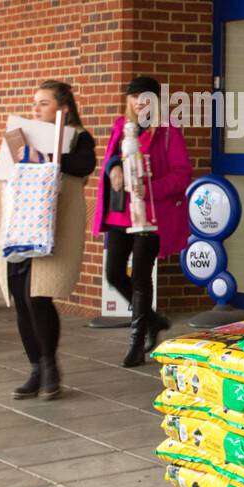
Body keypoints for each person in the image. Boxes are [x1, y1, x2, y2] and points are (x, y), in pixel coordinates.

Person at [0, 81, 96, 400]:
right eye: (34, 103)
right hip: (19, 226)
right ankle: (35, 368)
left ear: (63, 109)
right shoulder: (21, 134)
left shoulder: (78, 137)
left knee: (39, 296)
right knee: (20, 297)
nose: (36, 108)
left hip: (53, 229)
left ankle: (50, 368)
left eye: (43, 103)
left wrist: (44, 154)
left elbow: (84, 166)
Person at [92, 76, 193, 367]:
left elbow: (181, 174)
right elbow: (112, 158)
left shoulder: (168, 132)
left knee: (140, 275)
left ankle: (136, 342)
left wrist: (149, 187)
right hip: (120, 211)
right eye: (135, 97)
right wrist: (113, 169)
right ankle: (152, 320)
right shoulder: (121, 127)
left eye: (145, 97)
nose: (139, 102)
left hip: (150, 216)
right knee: (113, 273)